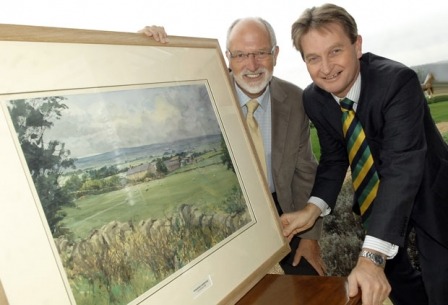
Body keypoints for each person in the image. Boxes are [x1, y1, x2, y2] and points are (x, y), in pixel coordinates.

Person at [280, 3, 448, 305]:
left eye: (335, 51)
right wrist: (312, 209)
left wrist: (370, 256)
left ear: (357, 46)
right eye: (313, 58)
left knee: (441, 285)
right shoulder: (314, 99)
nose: (326, 67)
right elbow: (334, 158)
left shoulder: (397, 82)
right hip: (378, 205)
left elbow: (402, 167)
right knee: (394, 280)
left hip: (431, 194)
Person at [140, 18, 326, 276]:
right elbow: (157, 92)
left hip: (283, 217)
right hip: (225, 220)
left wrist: (310, 237)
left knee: (308, 286)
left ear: (275, 54)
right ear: (227, 57)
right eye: (240, 55)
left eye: (261, 53)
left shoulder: (295, 99)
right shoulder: (203, 95)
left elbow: (305, 171)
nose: (251, 65)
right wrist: (142, 47)